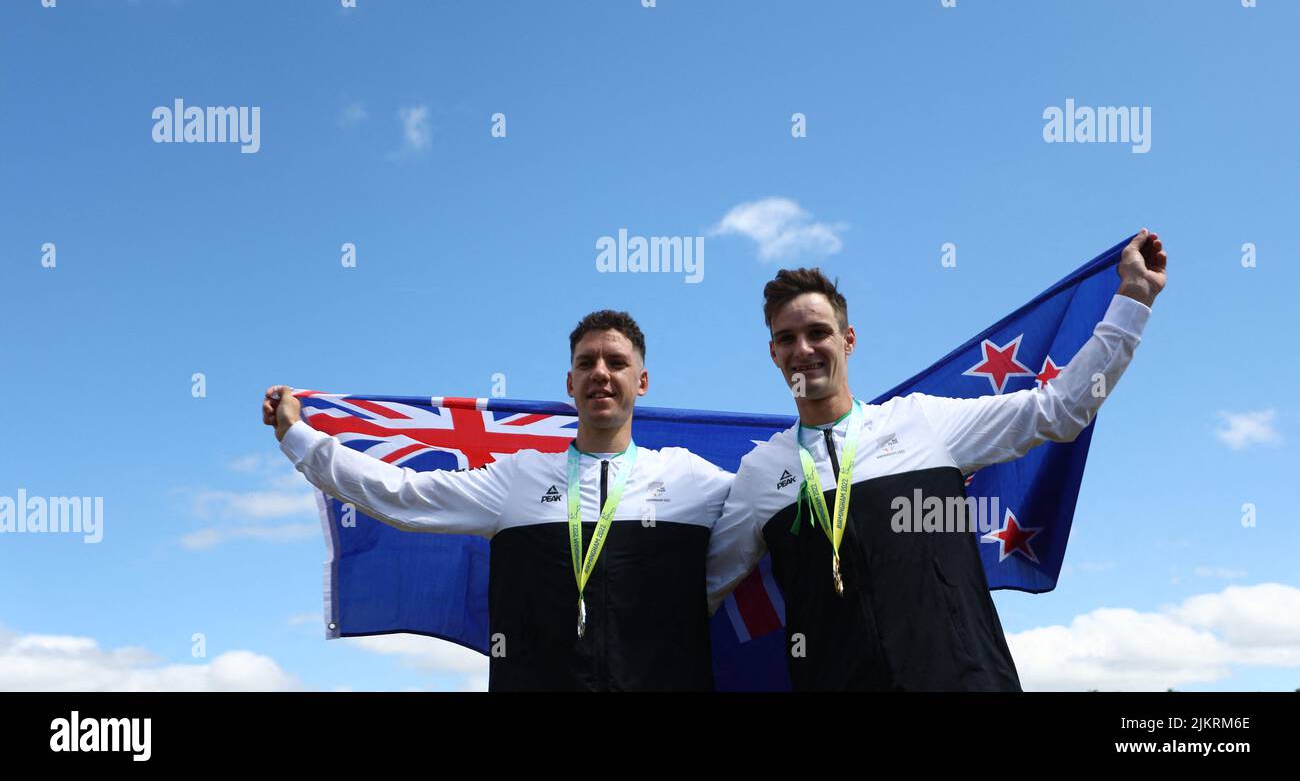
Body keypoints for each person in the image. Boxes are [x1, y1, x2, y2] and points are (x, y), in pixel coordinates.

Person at [705, 229, 1168, 690]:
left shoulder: (923, 421)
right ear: (773, 354)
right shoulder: (761, 472)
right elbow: (695, 594)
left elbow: (1060, 409)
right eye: (787, 339)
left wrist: (1133, 298)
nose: (803, 350)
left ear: (848, 340)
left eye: (818, 333)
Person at [264, 310, 732, 691]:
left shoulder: (687, 476)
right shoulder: (519, 477)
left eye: (616, 362)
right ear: (570, 383)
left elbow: (777, 503)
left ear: (643, 381)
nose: (601, 374)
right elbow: (403, 495)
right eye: (586, 363)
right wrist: (299, 438)